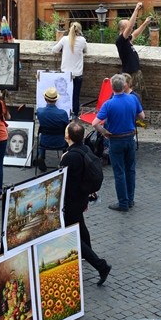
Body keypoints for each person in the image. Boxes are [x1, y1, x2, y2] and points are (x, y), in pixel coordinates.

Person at [61, 121, 111, 286]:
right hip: (81, 198)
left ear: (68, 136)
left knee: (71, 236)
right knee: (80, 227)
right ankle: (87, 253)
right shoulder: (85, 149)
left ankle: (100, 265)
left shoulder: (70, 156)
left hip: (71, 200)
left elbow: (62, 181)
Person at [92, 73, 143, 211]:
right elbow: (142, 116)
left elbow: (95, 123)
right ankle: (130, 199)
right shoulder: (133, 99)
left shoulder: (109, 104)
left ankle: (123, 202)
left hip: (116, 140)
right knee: (130, 170)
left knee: (119, 171)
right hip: (130, 138)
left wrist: (104, 132)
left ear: (112, 87)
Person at [115, 2, 151, 98]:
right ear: (123, 29)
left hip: (135, 73)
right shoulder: (120, 40)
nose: (130, 28)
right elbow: (131, 27)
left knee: (137, 96)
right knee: (131, 96)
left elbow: (135, 34)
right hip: (129, 74)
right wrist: (136, 9)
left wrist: (145, 24)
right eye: (128, 27)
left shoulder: (127, 39)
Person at [52, 21, 87, 116]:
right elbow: (86, 50)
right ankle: (75, 113)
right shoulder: (82, 40)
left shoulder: (64, 39)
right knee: (75, 95)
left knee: (64, 94)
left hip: (66, 73)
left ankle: (64, 112)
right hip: (77, 73)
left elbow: (54, 50)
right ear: (79, 30)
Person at [35, 86, 69, 172]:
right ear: (56, 100)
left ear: (45, 99)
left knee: (42, 136)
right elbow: (67, 126)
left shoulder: (40, 112)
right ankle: (64, 159)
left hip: (45, 142)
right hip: (60, 142)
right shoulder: (63, 113)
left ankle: (41, 156)